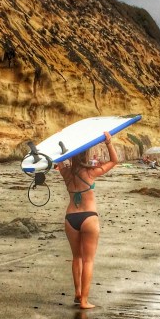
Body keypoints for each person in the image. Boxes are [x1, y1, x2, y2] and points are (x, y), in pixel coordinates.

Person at [57, 132, 118, 308]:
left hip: (70, 218)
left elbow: (59, 159)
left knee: (76, 257)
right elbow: (114, 161)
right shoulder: (91, 172)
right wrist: (108, 143)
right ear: (86, 155)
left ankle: (78, 294)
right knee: (88, 260)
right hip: (89, 217)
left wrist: (62, 150)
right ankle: (84, 301)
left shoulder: (66, 173)